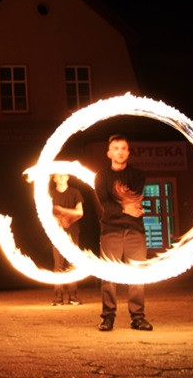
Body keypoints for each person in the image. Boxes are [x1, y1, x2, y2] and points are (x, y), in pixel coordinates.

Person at [94, 134, 152, 331]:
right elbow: (105, 204)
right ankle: (107, 317)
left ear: (128, 152)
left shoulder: (138, 175)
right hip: (111, 230)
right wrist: (124, 207)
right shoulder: (102, 176)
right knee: (109, 276)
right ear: (109, 153)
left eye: (124, 148)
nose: (120, 151)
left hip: (135, 230)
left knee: (136, 275)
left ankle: (138, 317)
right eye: (116, 148)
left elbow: (134, 198)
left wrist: (123, 203)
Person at [50, 172, 84, 306]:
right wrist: (60, 219)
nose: (61, 177)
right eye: (58, 175)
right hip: (56, 233)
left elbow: (80, 212)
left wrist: (63, 212)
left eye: (64, 175)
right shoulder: (50, 194)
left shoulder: (75, 193)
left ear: (69, 177)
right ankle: (58, 297)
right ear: (54, 178)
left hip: (73, 232)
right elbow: (46, 212)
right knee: (58, 265)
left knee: (73, 264)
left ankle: (73, 296)